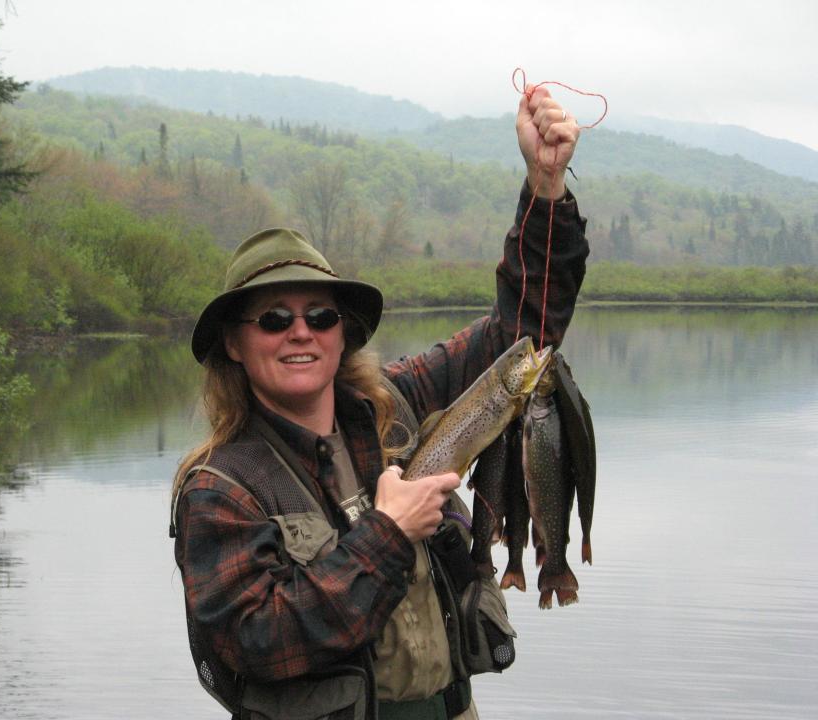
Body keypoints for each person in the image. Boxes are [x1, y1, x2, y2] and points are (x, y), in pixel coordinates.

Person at [171, 84, 589, 720]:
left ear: (344, 331)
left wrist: (545, 186)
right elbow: (258, 643)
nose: (301, 331)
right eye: (274, 318)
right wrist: (387, 533)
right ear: (233, 342)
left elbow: (524, 335)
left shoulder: (399, 404)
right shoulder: (220, 489)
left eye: (320, 314)